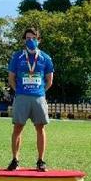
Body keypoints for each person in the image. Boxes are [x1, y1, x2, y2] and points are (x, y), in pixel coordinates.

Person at [6, 28, 54, 171]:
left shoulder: (45, 58)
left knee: (40, 128)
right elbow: (11, 78)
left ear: (39, 40)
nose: (30, 41)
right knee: (17, 128)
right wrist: (19, 92)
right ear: (24, 40)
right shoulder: (17, 56)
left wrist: (40, 92)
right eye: (27, 38)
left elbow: (49, 80)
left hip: (38, 97)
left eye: (33, 38)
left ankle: (41, 161)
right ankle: (15, 159)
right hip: (21, 97)